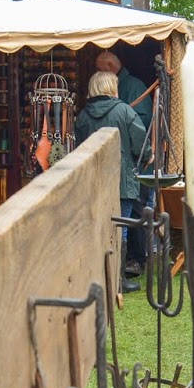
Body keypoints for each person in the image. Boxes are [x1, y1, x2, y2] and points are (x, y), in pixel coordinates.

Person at [75, 70, 149, 289]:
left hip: (93, 181)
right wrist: (146, 157)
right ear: (111, 87)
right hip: (122, 181)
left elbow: (79, 150)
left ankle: (97, 276)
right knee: (120, 228)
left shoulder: (82, 116)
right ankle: (117, 281)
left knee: (96, 227)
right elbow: (140, 144)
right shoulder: (125, 111)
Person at [95, 49, 153, 129]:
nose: (97, 73)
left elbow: (145, 120)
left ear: (110, 66)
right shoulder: (108, 87)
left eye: (99, 69)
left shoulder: (135, 86)